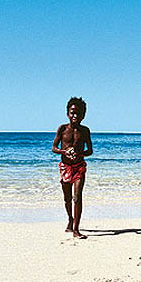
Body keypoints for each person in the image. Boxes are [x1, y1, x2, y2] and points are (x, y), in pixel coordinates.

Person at [52, 97, 93, 239]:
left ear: (83, 115)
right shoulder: (62, 129)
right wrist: (65, 152)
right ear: (67, 113)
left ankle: (76, 229)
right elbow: (54, 148)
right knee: (67, 198)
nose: (75, 116)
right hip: (65, 167)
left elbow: (90, 151)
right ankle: (70, 219)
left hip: (79, 167)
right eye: (72, 112)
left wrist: (79, 154)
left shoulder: (85, 131)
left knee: (77, 197)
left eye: (78, 113)